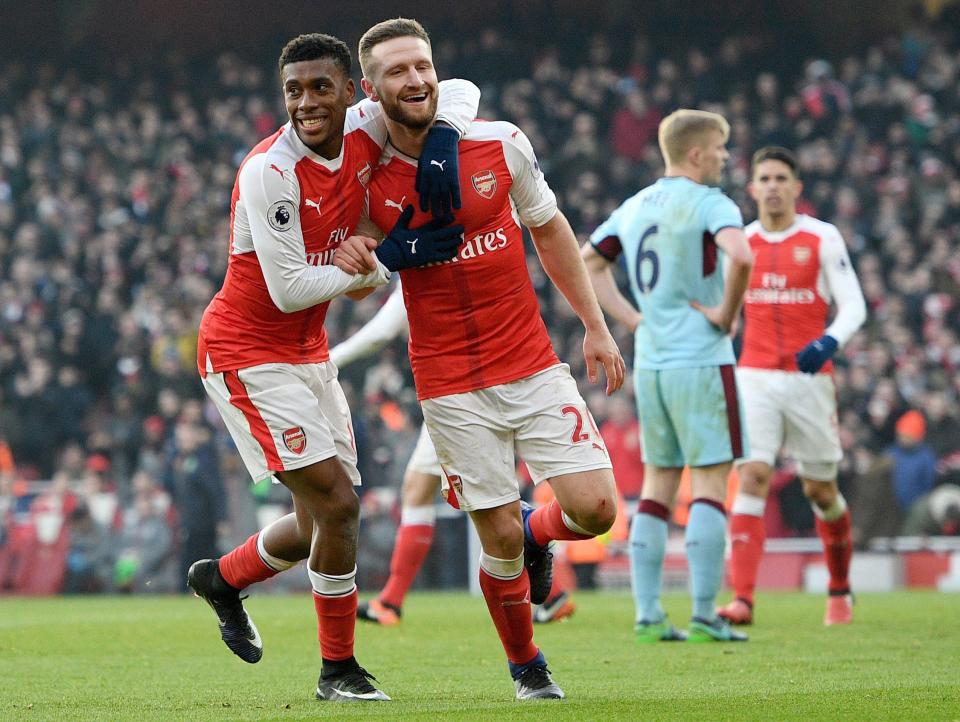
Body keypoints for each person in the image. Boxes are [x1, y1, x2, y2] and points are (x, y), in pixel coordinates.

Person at [334, 18, 625, 700]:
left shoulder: (498, 143)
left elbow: (550, 228)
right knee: (494, 542)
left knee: (597, 509)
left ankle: (538, 529)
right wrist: (365, 254)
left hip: (530, 362)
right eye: (398, 72)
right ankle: (527, 665)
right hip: (449, 384)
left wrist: (595, 325)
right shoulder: (366, 171)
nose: (415, 80)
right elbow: (357, 252)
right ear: (371, 91)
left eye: (422, 66)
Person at [186, 32, 480, 703]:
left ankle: (223, 580)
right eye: (293, 90)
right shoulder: (270, 170)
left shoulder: (365, 127)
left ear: (354, 92)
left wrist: (440, 143)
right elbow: (289, 288)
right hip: (245, 352)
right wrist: (383, 258)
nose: (306, 102)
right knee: (340, 506)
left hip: (307, 352)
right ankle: (337, 670)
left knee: (323, 519)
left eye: (321, 87)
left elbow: (458, 92)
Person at [582, 109, 754, 643]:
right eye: (722, 149)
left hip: (653, 363)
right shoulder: (711, 202)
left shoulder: (635, 206)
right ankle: (705, 615)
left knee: (658, 485)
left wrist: (632, 319)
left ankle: (649, 614)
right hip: (701, 358)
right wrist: (725, 315)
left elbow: (590, 260)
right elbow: (742, 255)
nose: (726, 158)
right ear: (698, 153)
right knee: (707, 483)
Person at [328, 283, 576, 626]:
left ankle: (553, 589)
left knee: (481, 499)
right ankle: (391, 600)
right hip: (481, 381)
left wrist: (330, 359)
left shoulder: (425, 254)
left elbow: (382, 330)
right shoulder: (467, 248)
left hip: (458, 393)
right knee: (421, 487)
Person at [715, 146, 867, 627]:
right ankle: (742, 600)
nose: (774, 185)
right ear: (753, 187)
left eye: (782, 177)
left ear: (796, 187)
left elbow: (854, 305)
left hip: (809, 380)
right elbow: (727, 314)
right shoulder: (741, 243)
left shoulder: (822, 237)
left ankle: (840, 589)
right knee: (753, 476)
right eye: (766, 178)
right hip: (754, 376)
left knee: (821, 490)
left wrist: (829, 340)